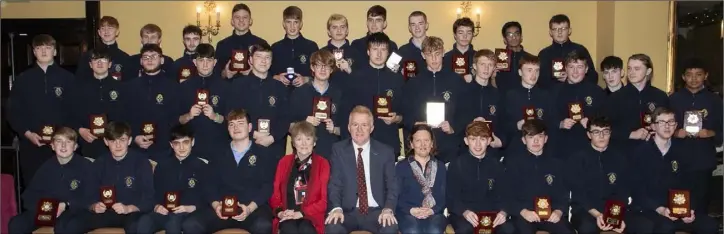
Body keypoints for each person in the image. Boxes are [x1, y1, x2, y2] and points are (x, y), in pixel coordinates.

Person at [181, 109, 275, 233]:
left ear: (250, 127)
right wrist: (216, 205)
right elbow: (208, 184)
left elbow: (267, 187)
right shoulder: (218, 153)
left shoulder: (264, 153)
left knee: (263, 226)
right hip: (221, 208)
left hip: (251, 208)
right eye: (231, 124)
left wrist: (250, 208)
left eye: (240, 123)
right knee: (191, 224)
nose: (236, 127)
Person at [627, 107, 718, 234]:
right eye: (662, 122)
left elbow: (691, 185)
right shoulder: (640, 152)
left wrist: (690, 209)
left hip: (679, 208)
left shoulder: (683, 151)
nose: (667, 126)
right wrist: (660, 209)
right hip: (651, 209)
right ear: (653, 126)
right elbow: (636, 189)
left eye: (671, 122)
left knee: (709, 226)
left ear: (675, 126)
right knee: (666, 227)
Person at [8, 34, 75, 188]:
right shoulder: (23, 79)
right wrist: (27, 133)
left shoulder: (68, 79)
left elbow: (74, 111)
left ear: (55, 52)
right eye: (39, 48)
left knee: (62, 187)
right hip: (31, 145)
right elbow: (13, 112)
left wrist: (65, 137)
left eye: (48, 48)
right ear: (34, 52)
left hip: (61, 146)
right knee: (34, 188)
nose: (44, 52)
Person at [67, 121, 154, 233]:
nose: (118, 145)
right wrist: (94, 206)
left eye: (122, 140)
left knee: (138, 226)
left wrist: (130, 208)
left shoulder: (141, 162)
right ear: (106, 142)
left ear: (129, 140)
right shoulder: (99, 163)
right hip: (105, 213)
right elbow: (87, 194)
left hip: (131, 213)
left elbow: (149, 197)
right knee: (72, 225)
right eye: (113, 141)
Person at [325, 105, 399, 234]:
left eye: (364, 125)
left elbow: (392, 185)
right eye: (355, 125)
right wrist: (336, 208)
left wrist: (388, 209)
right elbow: (335, 183)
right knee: (332, 228)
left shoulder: (385, 151)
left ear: (372, 128)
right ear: (348, 128)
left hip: (377, 211)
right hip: (347, 212)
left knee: (390, 228)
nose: (359, 129)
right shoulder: (338, 150)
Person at [8, 127, 92, 234]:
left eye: (68, 141)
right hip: (46, 211)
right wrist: (43, 207)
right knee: (16, 223)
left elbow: (91, 197)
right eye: (59, 141)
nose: (63, 145)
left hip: (72, 211)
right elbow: (29, 197)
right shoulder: (46, 167)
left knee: (66, 227)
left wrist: (66, 205)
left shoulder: (86, 166)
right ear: (52, 146)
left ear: (75, 146)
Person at [669, 58, 722, 215]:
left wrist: (710, 133)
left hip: (703, 160)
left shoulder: (716, 101)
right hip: (677, 159)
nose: (694, 78)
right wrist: (675, 132)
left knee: (700, 205)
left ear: (706, 76)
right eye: (689, 74)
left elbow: (722, 130)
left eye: (698, 74)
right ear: (683, 77)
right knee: (678, 203)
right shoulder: (673, 100)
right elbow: (661, 127)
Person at [403, 36, 467, 163]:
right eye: (429, 54)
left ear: (443, 53)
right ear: (422, 55)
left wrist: (453, 127)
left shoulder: (456, 80)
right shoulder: (413, 83)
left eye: (437, 54)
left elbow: (465, 111)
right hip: (421, 145)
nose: (434, 59)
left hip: (449, 145)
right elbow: (405, 112)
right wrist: (414, 124)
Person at [136, 125, 208, 234]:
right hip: (164, 211)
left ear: (192, 142)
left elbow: (207, 196)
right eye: (176, 143)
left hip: (189, 212)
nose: (181, 147)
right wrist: (156, 206)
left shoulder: (201, 166)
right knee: (144, 221)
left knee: (173, 223)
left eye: (185, 142)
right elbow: (153, 192)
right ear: (171, 145)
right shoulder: (162, 166)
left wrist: (191, 207)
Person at [342, 32, 405, 157]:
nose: (379, 53)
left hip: (389, 143)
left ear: (388, 53)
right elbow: (345, 113)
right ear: (368, 52)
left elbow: (405, 113)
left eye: (383, 49)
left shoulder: (397, 79)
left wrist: (396, 118)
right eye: (375, 49)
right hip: (359, 144)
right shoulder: (355, 77)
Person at [506, 119, 573, 234]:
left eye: (540, 136)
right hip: (525, 215)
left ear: (546, 139)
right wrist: (523, 211)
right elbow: (507, 195)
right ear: (523, 140)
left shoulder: (557, 164)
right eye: (531, 137)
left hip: (551, 214)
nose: (536, 141)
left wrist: (559, 211)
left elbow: (563, 194)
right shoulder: (513, 164)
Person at [447, 121, 516, 234]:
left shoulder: (497, 166)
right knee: (465, 230)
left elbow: (506, 195)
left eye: (482, 139)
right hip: (465, 215)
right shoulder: (456, 165)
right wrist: (464, 212)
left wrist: (503, 212)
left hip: (492, 215)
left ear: (489, 141)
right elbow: (451, 197)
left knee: (509, 229)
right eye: (473, 139)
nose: (478, 144)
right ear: (466, 141)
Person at [228, 43, 289, 161]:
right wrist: (253, 134)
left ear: (272, 61)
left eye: (267, 57)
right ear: (250, 60)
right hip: (246, 143)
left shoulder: (280, 87)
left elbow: (285, 118)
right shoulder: (238, 85)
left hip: (274, 147)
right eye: (259, 57)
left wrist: (271, 138)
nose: (263, 61)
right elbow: (231, 115)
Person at [567, 117, 628, 234]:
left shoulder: (620, 158)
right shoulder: (577, 159)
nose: (602, 136)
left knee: (635, 226)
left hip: (613, 210)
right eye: (596, 132)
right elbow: (579, 193)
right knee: (588, 228)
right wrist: (597, 214)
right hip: (585, 210)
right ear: (589, 135)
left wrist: (616, 215)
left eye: (605, 132)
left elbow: (623, 191)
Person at [124, 44, 183, 160]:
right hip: (136, 147)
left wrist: (163, 139)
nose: (149, 60)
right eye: (145, 57)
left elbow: (176, 118)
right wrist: (134, 136)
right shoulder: (129, 87)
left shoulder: (173, 87)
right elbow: (124, 115)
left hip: (164, 149)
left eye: (154, 56)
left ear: (161, 60)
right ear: (141, 61)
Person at [270, 121, 330, 234]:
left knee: (306, 230)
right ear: (293, 143)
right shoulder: (284, 162)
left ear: (314, 142)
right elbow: (275, 194)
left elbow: (323, 201)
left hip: (311, 217)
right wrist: (280, 213)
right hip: (287, 216)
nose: (304, 143)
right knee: (289, 230)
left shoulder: (323, 164)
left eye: (308, 139)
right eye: (299, 139)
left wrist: (301, 213)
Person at [604, 54, 669, 153]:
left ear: (648, 71)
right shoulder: (615, 98)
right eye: (629, 68)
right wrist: (630, 134)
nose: (631, 72)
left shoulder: (660, 96)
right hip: (623, 153)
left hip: (653, 151)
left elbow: (668, 124)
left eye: (637, 69)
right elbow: (604, 128)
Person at [72, 48, 127, 159]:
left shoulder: (122, 88)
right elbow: (70, 112)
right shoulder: (79, 88)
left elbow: (127, 115)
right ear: (90, 65)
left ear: (110, 64)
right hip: (87, 143)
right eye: (95, 60)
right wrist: (80, 130)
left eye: (103, 59)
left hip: (114, 144)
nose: (100, 63)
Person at [288, 50, 343, 158]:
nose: (323, 69)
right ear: (312, 68)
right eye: (319, 65)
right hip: (304, 153)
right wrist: (304, 122)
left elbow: (346, 129)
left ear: (331, 70)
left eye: (326, 66)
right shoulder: (299, 93)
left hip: (331, 152)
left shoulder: (339, 94)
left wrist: (334, 129)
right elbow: (289, 127)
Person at [501, 55, 558, 158]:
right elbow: (502, 124)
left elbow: (553, 123)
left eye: (537, 71)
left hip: (541, 150)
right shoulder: (509, 96)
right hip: (516, 150)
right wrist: (516, 126)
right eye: (529, 70)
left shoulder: (546, 96)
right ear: (520, 72)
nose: (534, 75)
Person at [178, 43, 229, 160]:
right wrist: (189, 115)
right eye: (201, 60)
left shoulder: (226, 87)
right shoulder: (184, 87)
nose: (205, 65)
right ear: (195, 62)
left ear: (215, 62)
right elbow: (175, 120)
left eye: (209, 60)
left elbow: (232, 120)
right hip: (190, 149)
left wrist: (215, 116)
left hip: (218, 147)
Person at [553, 51, 607, 159]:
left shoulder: (597, 92)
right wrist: (559, 123)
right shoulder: (554, 92)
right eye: (571, 67)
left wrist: (592, 122)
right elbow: (546, 118)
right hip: (563, 148)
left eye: (580, 67)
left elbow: (606, 119)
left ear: (586, 69)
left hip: (591, 148)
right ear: (565, 69)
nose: (575, 71)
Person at [395, 124, 447, 234]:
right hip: (407, 213)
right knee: (412, 230)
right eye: (418, 141)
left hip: (434, 213)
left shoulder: (440, 166)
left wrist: (433, 210)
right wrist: (410, 210)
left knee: (435, 230)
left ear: (432, 143)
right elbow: (395, 195)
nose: (423, 144)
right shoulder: (401, 166)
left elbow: (445, 195)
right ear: (411, 144)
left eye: (426, 140)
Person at [457, 49, 505, 159]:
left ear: (494, 68)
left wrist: (501, 140)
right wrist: (471, 123)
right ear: (474, 66)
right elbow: (455, 121)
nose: (486, 68)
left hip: (491, 152)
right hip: (466, 151)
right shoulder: (463, 92)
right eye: (482, 64)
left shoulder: (498, 95)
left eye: (490, 65)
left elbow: (504, 123)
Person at [537, 14, 597, 89]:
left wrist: (572, 78)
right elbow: (539, 81)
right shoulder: (544, 54)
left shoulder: (580, 50)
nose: (559, 32)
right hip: (552, 97)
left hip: (577, 95)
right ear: (550, 32)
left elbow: (593, 77)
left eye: (563, 28)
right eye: (555, 29)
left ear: (569, 30)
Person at [270, 6, 319, 90]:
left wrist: (306, 79)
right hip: (280, 94)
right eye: (288, 22)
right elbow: (267, 73)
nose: (292, 26)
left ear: (301, 24)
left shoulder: (311, 46)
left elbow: (319, 73)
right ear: (283, 24)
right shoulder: (275, 47)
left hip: (305, 94)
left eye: (296, 22)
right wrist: (277, 77)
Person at [214, 3, 268, 79]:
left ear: (250, 21)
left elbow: (269, 71)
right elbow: (215, 71)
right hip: (229, 88)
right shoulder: (222, 45)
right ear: (232, 21)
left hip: (254, 88)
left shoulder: (261, 44)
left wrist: (254, 72)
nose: (241, 20)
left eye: (245, 17)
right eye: (237, 17)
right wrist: (224, 73)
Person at [75, 16, 130, 80]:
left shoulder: (125, 58)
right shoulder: (88, 56)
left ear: (117, 32)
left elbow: (128, 84)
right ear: (99, 32)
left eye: (110, 28)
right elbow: (80, 80)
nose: (106, 31)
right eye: (103, 28)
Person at [495, 21, 534, 94]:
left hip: (525, 100)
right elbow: (493, 85)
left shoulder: (530, 58)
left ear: (521, 37)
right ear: (504, 39)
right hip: (503, 100)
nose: (513, 37)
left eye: (516, 34)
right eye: (509, 34)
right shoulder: (498, 59)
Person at [319, 14, 357, 87]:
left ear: (347, 31)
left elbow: (362, 80)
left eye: (342, 27)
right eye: (334, 27)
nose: (339, 30)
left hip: (351, 95)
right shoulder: (321, 53)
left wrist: (350, 71)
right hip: (328, 95)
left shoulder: (356, 52)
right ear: (329, 32)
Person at [397, 11, 428, 81]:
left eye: (420, 24)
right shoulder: (402, 50)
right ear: (409, 28)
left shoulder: (435, 48)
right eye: (413, 24)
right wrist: (399, 73)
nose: (417, 27)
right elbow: (390, 68)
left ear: (426, 25)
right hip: (410, 90)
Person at [442, 17, 476, 82]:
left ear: (472, 35)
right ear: (455, 35)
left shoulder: (479, 57)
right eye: (461, 33)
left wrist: (475, 77)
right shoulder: (445, 57)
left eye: (468, 33)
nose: (465, 36)